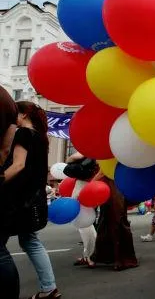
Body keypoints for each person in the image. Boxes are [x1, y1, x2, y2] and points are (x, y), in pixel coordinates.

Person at [0, 100, 61, 299]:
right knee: (29, 240)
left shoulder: (23, 133)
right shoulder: (41, 137)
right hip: (32, 199)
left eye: (14, 114)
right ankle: (48, 288)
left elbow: (18, 165)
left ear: (24, 114)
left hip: (17, 200)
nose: (12, 119)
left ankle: (48, 288)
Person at [90, 172, 139, 271]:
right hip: (110, 187)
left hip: (114, 187)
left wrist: (91, 184)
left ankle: (120, 258)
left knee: (116, 221)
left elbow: (103, 171)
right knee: (108, 221)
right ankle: (113, 257)